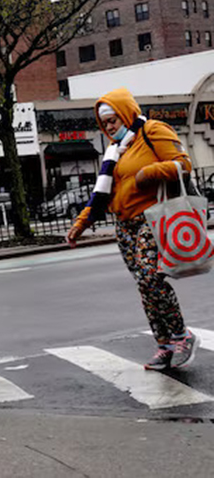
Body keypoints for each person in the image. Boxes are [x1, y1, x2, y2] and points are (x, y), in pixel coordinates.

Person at [67, 88, 199, 371]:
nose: (109, 127)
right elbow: (101, 194)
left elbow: (183, 164)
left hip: (152, 217)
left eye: (113, 119)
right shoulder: (115, 150)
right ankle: (163, 345)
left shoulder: (152, 130)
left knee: (151, 276)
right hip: (125, 225)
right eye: (105, 123)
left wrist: (149, 173)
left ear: (127, 112)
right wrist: (81, 223)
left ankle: (182, 335)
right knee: (144, 284)